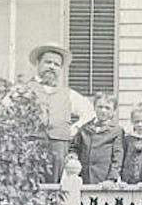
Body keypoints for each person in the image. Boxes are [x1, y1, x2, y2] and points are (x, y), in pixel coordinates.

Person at [27, 43, 96, 183]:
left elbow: (89, 113)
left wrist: (75, 128)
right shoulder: (25, 90)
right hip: (31, 143)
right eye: (48, 62)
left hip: (58, 145)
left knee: (54, 185)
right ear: (38, 64)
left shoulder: (68, 94)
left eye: (56, 64)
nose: (52, 67)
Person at [71, 92, 125, 183]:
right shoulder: (84, 129)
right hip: (84, 176)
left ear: (114, 111)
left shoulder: (117, 131)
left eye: (107, 108)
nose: (103, 111)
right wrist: (73, 156)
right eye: (100, 107)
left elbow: (118, 157)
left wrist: (112, 178)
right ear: (94, 107)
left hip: (104, 179)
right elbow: (74, 148)